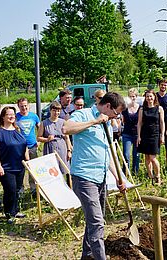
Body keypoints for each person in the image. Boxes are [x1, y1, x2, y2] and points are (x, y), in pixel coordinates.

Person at [62, 92, 126, 260]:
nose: (116, 116)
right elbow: (66, 128)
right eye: (116, 112)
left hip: (100, 177)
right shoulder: (84, 114)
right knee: (97, 222)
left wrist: (119, 178)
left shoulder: (108, 124)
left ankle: (88, 255)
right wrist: (95, 121)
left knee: (95, 220)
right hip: (84, 177)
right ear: (107, 106)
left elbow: (108, 153)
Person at [0, 106, 29, 224]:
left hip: (19, 165)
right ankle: (8, 213)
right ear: (3, 116)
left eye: (13, 114)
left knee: (17, 189)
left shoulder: (17, 129)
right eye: (9, 114)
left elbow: (24, 145)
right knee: (10, 189)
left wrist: (27, 159)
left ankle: (15, 210)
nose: (12, 116)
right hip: (6, 166)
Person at [137, 90, 165, 185]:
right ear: (145, 98)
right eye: (147, 96)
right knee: (147, 158)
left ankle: (158, 176)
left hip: (155, 135)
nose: (149, 98)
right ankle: (150, 176)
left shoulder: (159, 109)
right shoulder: (142, 109)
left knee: (153, 158)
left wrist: (162, 135)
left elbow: (162, 123)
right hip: (145, 134)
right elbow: (139, 123)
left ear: (154, 97)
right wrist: (139, 136)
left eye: (151, 96)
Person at [37, 101, 72, 175]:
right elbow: (39, 137)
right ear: (50, 111)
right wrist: (47, 139)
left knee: (64, 170)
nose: (56, 113)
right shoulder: (44, 123)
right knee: (52, 171)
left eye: (58, 111)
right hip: (50, 148)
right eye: (54, 110)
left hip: (62, 148)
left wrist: (69, 151)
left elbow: (67, 137)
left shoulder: (63, 122)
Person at [16, 98, 40, 193]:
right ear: (18, 107)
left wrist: (39, 141)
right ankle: (20, 189)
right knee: (20, 169)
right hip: (20, 148)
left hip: (32, 146)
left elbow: (40, 128)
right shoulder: (16, 117)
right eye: (21, 106)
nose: (24, 108)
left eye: (25, 105)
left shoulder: (34, 116)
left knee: (33, 168)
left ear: (28, 105)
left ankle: (33, 188)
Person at [121, 88, 140, 175]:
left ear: (136, 97)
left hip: (137, 134)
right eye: (130, 96)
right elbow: (122, 120)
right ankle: (125, 172)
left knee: (136, 155)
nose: (132, 98)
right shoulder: (125, 108)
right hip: (127, 134)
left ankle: (135, 172)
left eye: (134, 96)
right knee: (126, 154)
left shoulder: (140, 108)